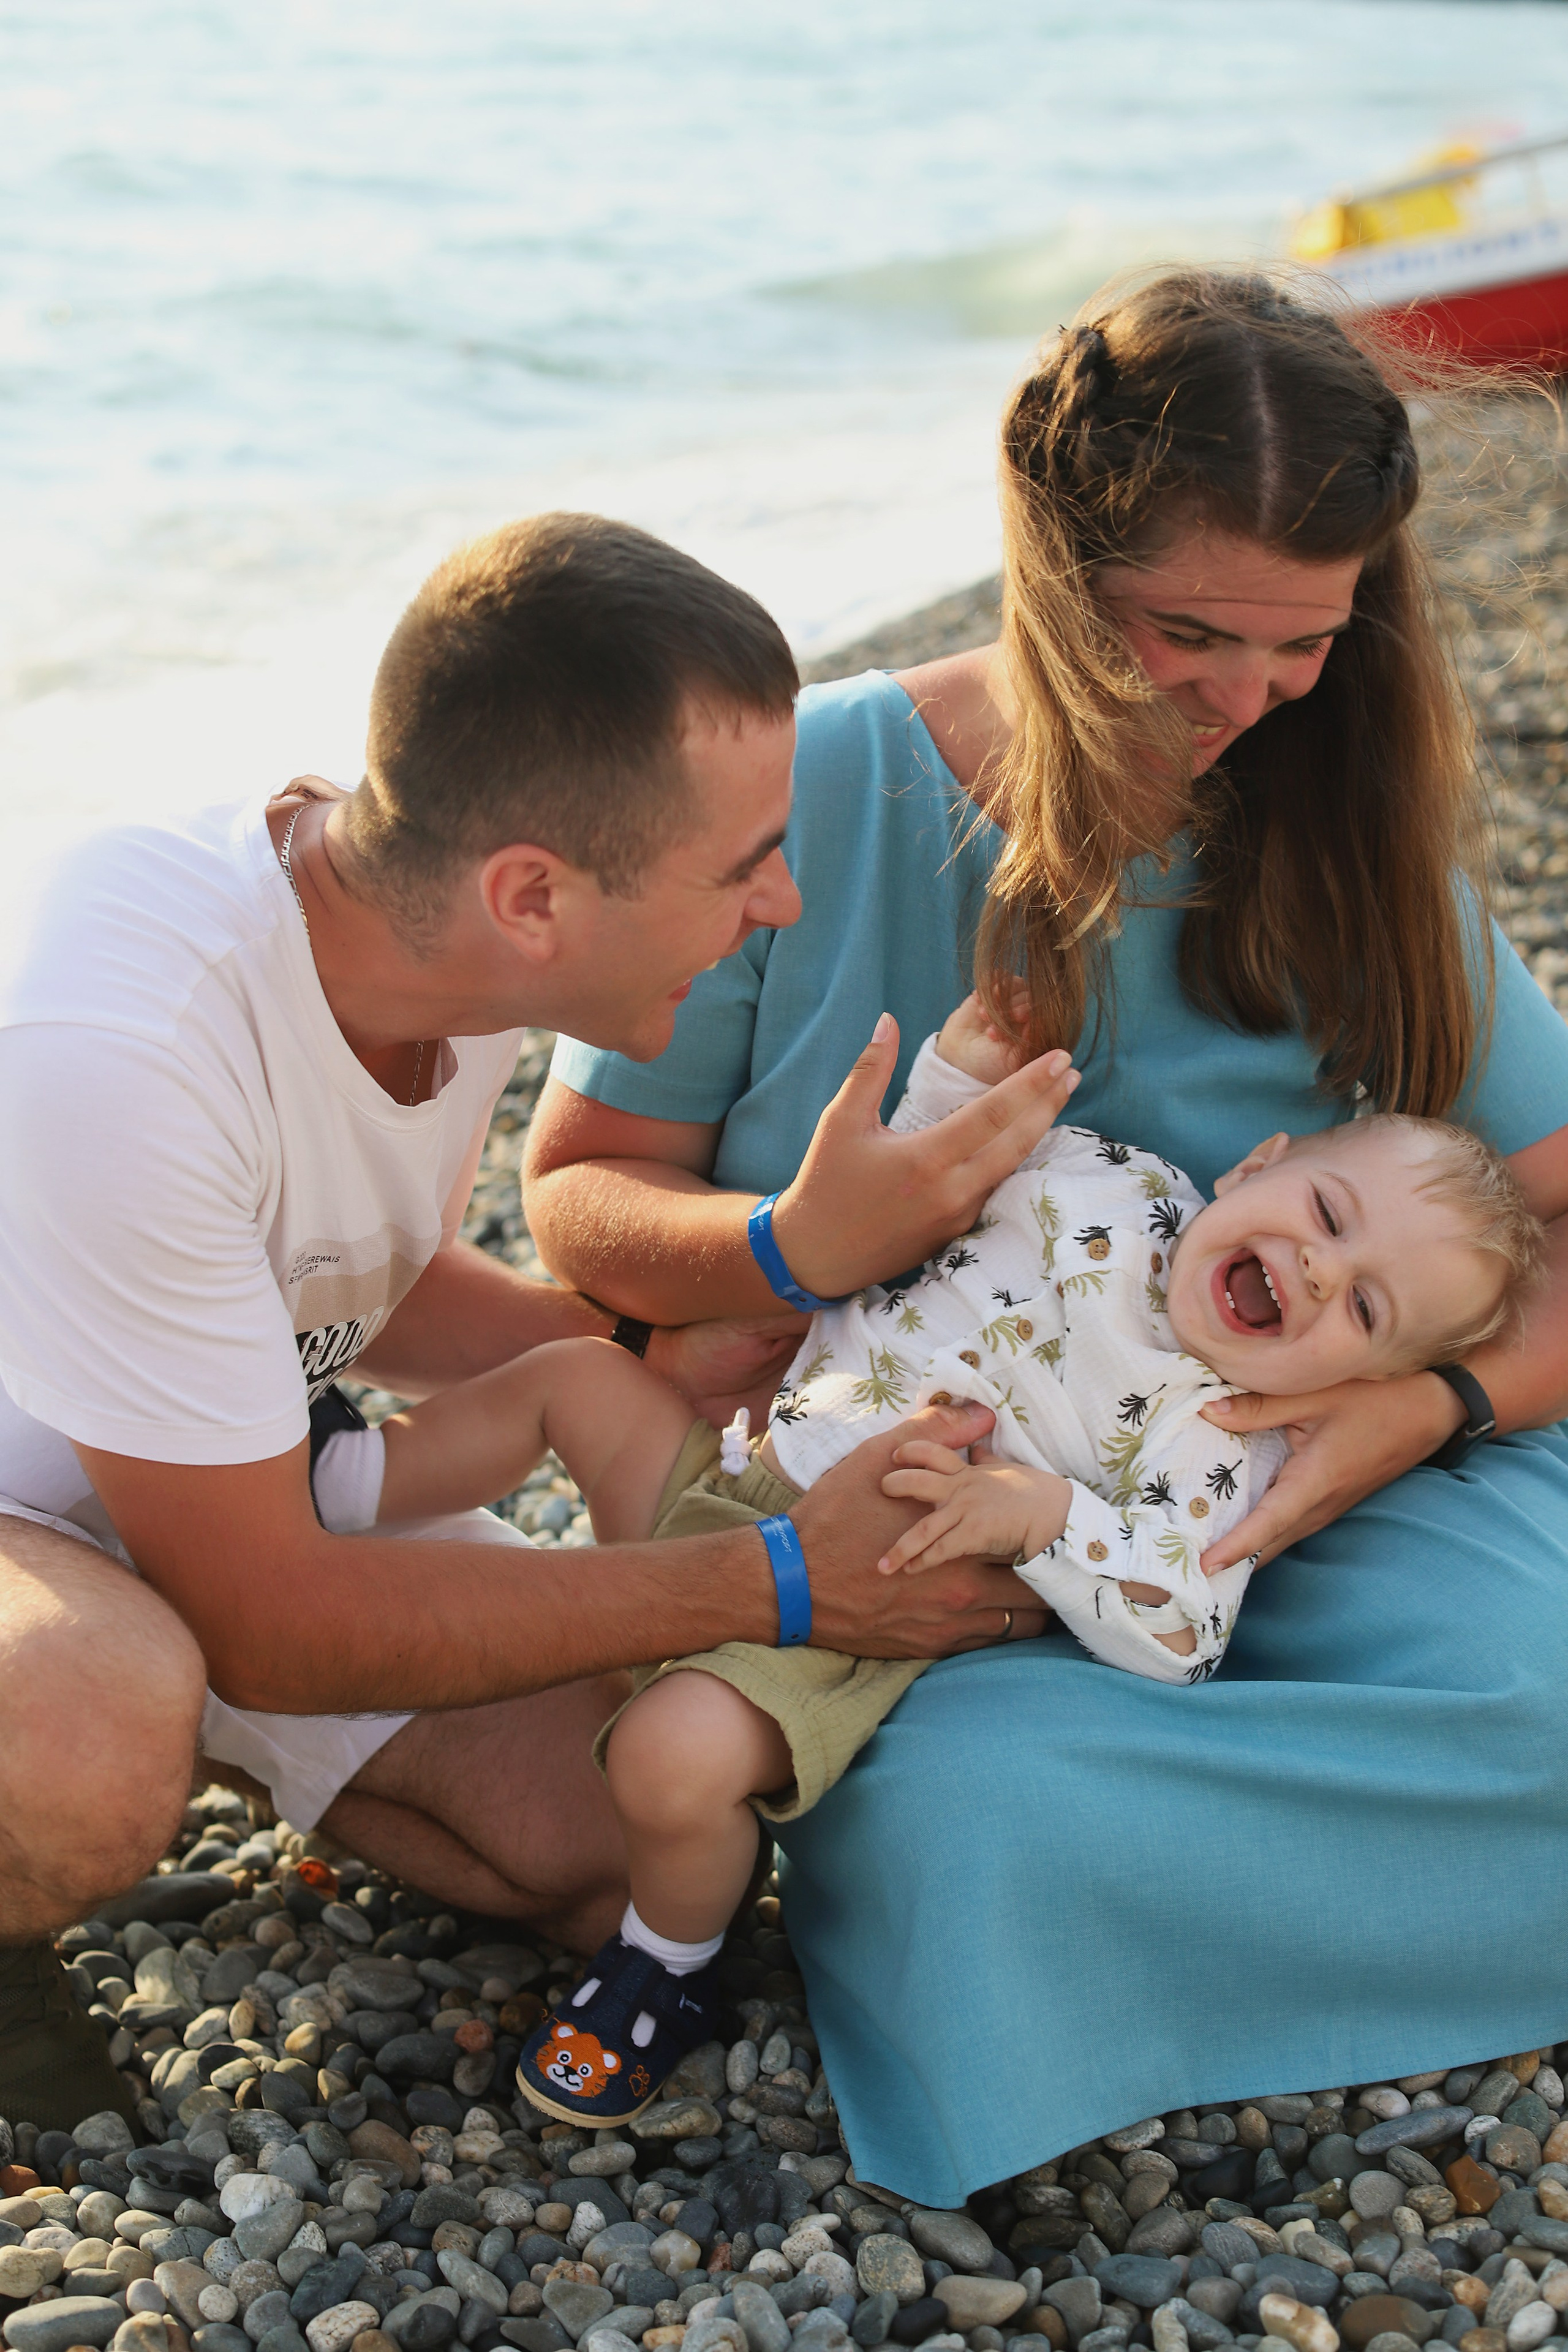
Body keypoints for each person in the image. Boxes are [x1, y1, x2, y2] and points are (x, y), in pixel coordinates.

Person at [522, 271, 1568, 2202]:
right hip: (913, 1519)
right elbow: (578, 1189)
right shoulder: (824, 780)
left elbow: (1556, 1200)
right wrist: (791, 1241)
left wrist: (1431, 1402)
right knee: (968, 1832)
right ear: (1048, 558)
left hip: (1285, 1488)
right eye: (1188, 634)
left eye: (1304, 645)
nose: (1247, 700)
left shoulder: (1336, 816)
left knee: (1554, 1696)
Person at [0, 513, 1072, 2132]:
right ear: (532, 895)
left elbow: (363, 1273)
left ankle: (163, 1698)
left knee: (592, 1848)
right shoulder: (128, 1042)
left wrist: (667, 1351)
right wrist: (780, 1579)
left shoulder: (430, 951)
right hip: (39, 1512)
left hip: (212, 1488)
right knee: (92, 1743)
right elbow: (287, 1617)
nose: (779, 902)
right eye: (740, 865)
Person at [311, 987, 1542, 2124]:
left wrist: (1046, 1521)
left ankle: (666, 1962)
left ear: (1369, 1382)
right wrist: (966, 1068)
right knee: (578, 1381)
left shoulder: (1228, 1439)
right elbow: (942, 1176)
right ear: (1262, 1164)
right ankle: (346, 1479)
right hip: (740, 1477)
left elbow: (1184, 1624)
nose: (1320, 1269)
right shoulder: (1109, 1183)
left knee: (668, 1755)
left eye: (1366, 1309)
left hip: (835, 1616)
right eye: (1324, 1216)